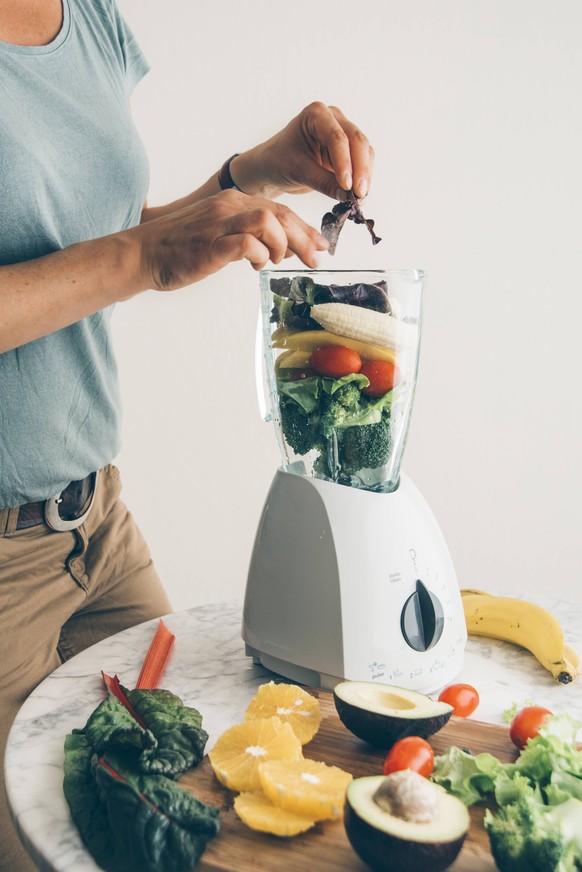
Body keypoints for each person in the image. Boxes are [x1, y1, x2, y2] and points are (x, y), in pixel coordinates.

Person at [0, 1, 374, 868]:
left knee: (201, 820)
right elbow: (127, 254)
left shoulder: (86, 16)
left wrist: (254, 175)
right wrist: (141, 257)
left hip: (99, 530)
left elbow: (75, 235)